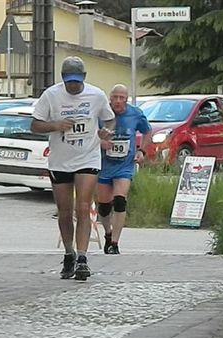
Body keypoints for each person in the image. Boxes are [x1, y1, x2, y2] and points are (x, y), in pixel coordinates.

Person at [31, 56, 115, 281]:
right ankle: (68, 253)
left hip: (88, 157)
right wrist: (55, 125)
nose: (74, 86)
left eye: (77, 82)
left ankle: (82, 258)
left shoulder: (96, 95)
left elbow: (110, 120)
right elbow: (35, 124)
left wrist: (106, 131)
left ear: (84, 78)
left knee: (84, 206)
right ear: (63, 79)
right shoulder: (51, 95)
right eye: (69, 82)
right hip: (60, 160)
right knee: (65, 210)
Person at [98, 84, 152, 254]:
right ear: (110, 98)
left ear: (126, 100)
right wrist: (100, 143)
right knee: (104, 207)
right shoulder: (102, 113)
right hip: (103, 165)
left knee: (120, 201)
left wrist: (142, 151)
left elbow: (147, 132)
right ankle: (107, 233)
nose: (119, 101)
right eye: (116, 97)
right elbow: (90, 133)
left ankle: (115, 242)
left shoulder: (135, 113)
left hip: (124, 166)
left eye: (122, 98)